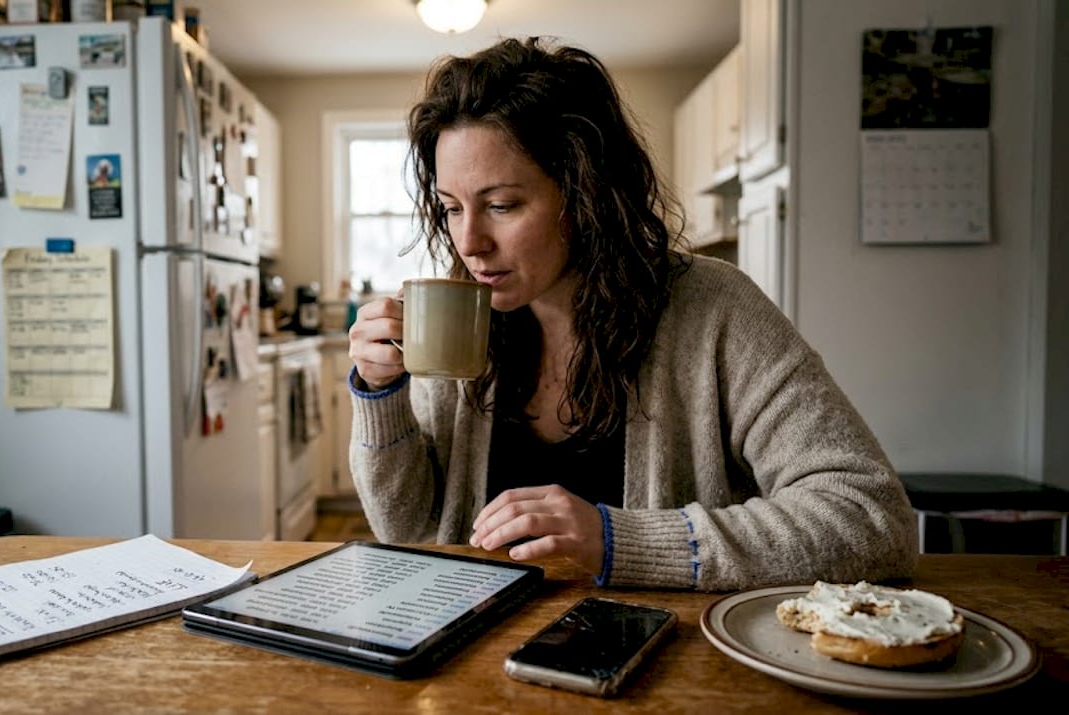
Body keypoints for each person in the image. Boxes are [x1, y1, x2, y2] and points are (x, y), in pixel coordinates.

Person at [345, 37, 918, 591]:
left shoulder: (714, 309)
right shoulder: (460, 319)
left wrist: (619, 539)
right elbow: (409, 529)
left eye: (501, 205)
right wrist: (379, 397)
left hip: (669, 664)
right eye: (451, 209)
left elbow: (871, 518)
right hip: (477, 656)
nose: (469, 243)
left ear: (584, 192)